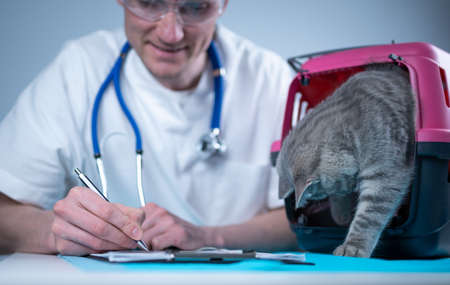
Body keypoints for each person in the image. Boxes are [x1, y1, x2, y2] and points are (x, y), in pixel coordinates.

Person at [0, 0, 297, 256]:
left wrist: (209, 238)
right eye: (150, 2)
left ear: (223, 4)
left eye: (195, 7)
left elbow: (308, 223)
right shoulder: (77, 70)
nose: (171, 33)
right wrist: (55, 232)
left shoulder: (270, 81)